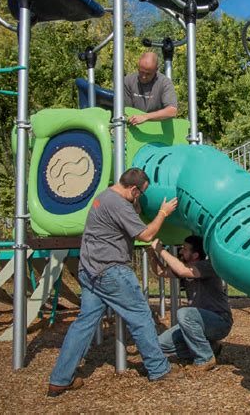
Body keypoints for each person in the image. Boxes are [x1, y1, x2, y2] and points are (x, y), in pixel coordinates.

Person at [47, 168, 180, 396]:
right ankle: (159, 369)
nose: (140, 197)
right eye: (140, 193)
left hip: (90, 270)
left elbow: (130, 214)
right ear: (133, 188)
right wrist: (163, 213)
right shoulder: (118, 204)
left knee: (84, 323)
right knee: (140, 317)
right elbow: (146, 235)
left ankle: (60, 379)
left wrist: (136, 203)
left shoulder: (104, 197)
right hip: (111, 270)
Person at [146, 235, 233, 371]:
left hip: (219, 321)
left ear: (196, 255)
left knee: (184, 314)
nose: (181, 251)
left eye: (185, 249)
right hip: (196, 322)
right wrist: (150, 251)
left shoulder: (207, 266)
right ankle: (209, 348)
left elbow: (183, 271)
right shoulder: (186, 267)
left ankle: (205, 358)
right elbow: (160, 271)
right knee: (160, 345)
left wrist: (160, 249)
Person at [124, 52, 178, 126]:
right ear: (138, 67)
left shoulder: (164, 83)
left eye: (148, 74)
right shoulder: (128, 81)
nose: (144, 77)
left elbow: (172, 111)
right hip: (133, 127)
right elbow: (125, 111)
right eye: (141, 72)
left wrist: (145, 117)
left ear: (156, 70)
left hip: (157, 129)